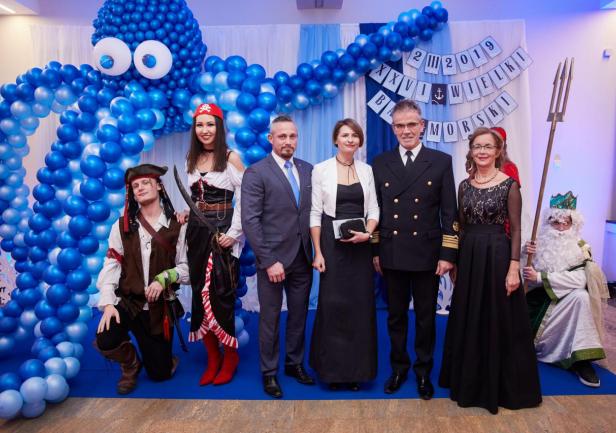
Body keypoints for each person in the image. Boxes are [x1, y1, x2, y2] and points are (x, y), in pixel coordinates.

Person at [439, 127, 541, 414]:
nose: (482, 151)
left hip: (497, 256)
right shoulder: (464, 185)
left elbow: (516, 229)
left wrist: (514, 267)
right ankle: (468, 381)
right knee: (469, 316)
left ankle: (499, 385)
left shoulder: (510, 185)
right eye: (477, 146)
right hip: (469, 256)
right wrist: (455, 262)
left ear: (498, 151)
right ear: (471, 152)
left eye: (488, 146)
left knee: (497, 318)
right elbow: (460, 226)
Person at [371, 99, 458, 399]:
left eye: (411, 124)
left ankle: (423, 372)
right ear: (393, 128)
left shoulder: (441, 161)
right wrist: (375, 251)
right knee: (395, 316)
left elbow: (449, 212)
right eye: (400, 126)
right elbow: (376, 211)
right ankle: (398, 368)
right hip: (392, 251)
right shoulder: (380, 163)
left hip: (427, 254)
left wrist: (448, 254)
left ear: (422, 126)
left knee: (425, 317)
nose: (406, 130)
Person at [95, 164, 189, 394]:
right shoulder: (121, 226)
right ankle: (131, 364)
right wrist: (108, 303)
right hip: (129, 302)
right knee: (106, 338)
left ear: (159, 186)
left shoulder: (177, 225)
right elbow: (112, 264)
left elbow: (187, 268)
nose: (140, 188)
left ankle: (162, 360)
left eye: (145, 182)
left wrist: (164, 278)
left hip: (158, 309)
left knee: (160, 374)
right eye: (135, 186)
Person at [241, 115, 315, 398]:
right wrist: (269, 260)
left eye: (292, 136)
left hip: (303, 257)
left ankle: (295, 364)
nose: (288, 141)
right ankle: (269, 372)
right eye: (282, 136)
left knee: (299, 316)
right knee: (270, 319)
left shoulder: (308, 170)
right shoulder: (256, 172)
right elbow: (250, 220)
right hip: (272, 259)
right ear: (270, 139)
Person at [309, 118, 379, 391]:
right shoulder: (321, 169)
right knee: (333, 304)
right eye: (345, 135)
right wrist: (318, 252)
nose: (350, 139)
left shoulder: (367, 170)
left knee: (359, 305)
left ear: (359, 141)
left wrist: (368, 234)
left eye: (355, 135)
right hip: (331, 244)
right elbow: (315, 213)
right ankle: (332, 372)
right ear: (336, 139)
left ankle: (356, 372)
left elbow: (373, 209)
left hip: (361, 246)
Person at [178, 103, 245, 386]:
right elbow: (196, 199)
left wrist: (235, 233)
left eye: (210, 124)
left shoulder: (231, 157)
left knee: (220, 294)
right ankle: (213, 357)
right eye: (200, 125)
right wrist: (187, 212)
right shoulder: (190, 159)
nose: (205, 130)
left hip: (222, 236)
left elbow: (246, 198)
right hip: (196, 235)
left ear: (219, 127)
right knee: (198, 293)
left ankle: (230, 356)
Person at [523, 192, 608, 387]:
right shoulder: (536, 243)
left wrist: (541, 277)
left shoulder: (581, 248)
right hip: (537, 304)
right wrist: (523, 255)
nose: (561, 229)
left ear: (573, 224)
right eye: (556, 223)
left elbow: (581, 279)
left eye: (566, 223)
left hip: (567, 305)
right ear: (548, 223)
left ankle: (582, 360)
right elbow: (520, 275)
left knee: (581, 297)